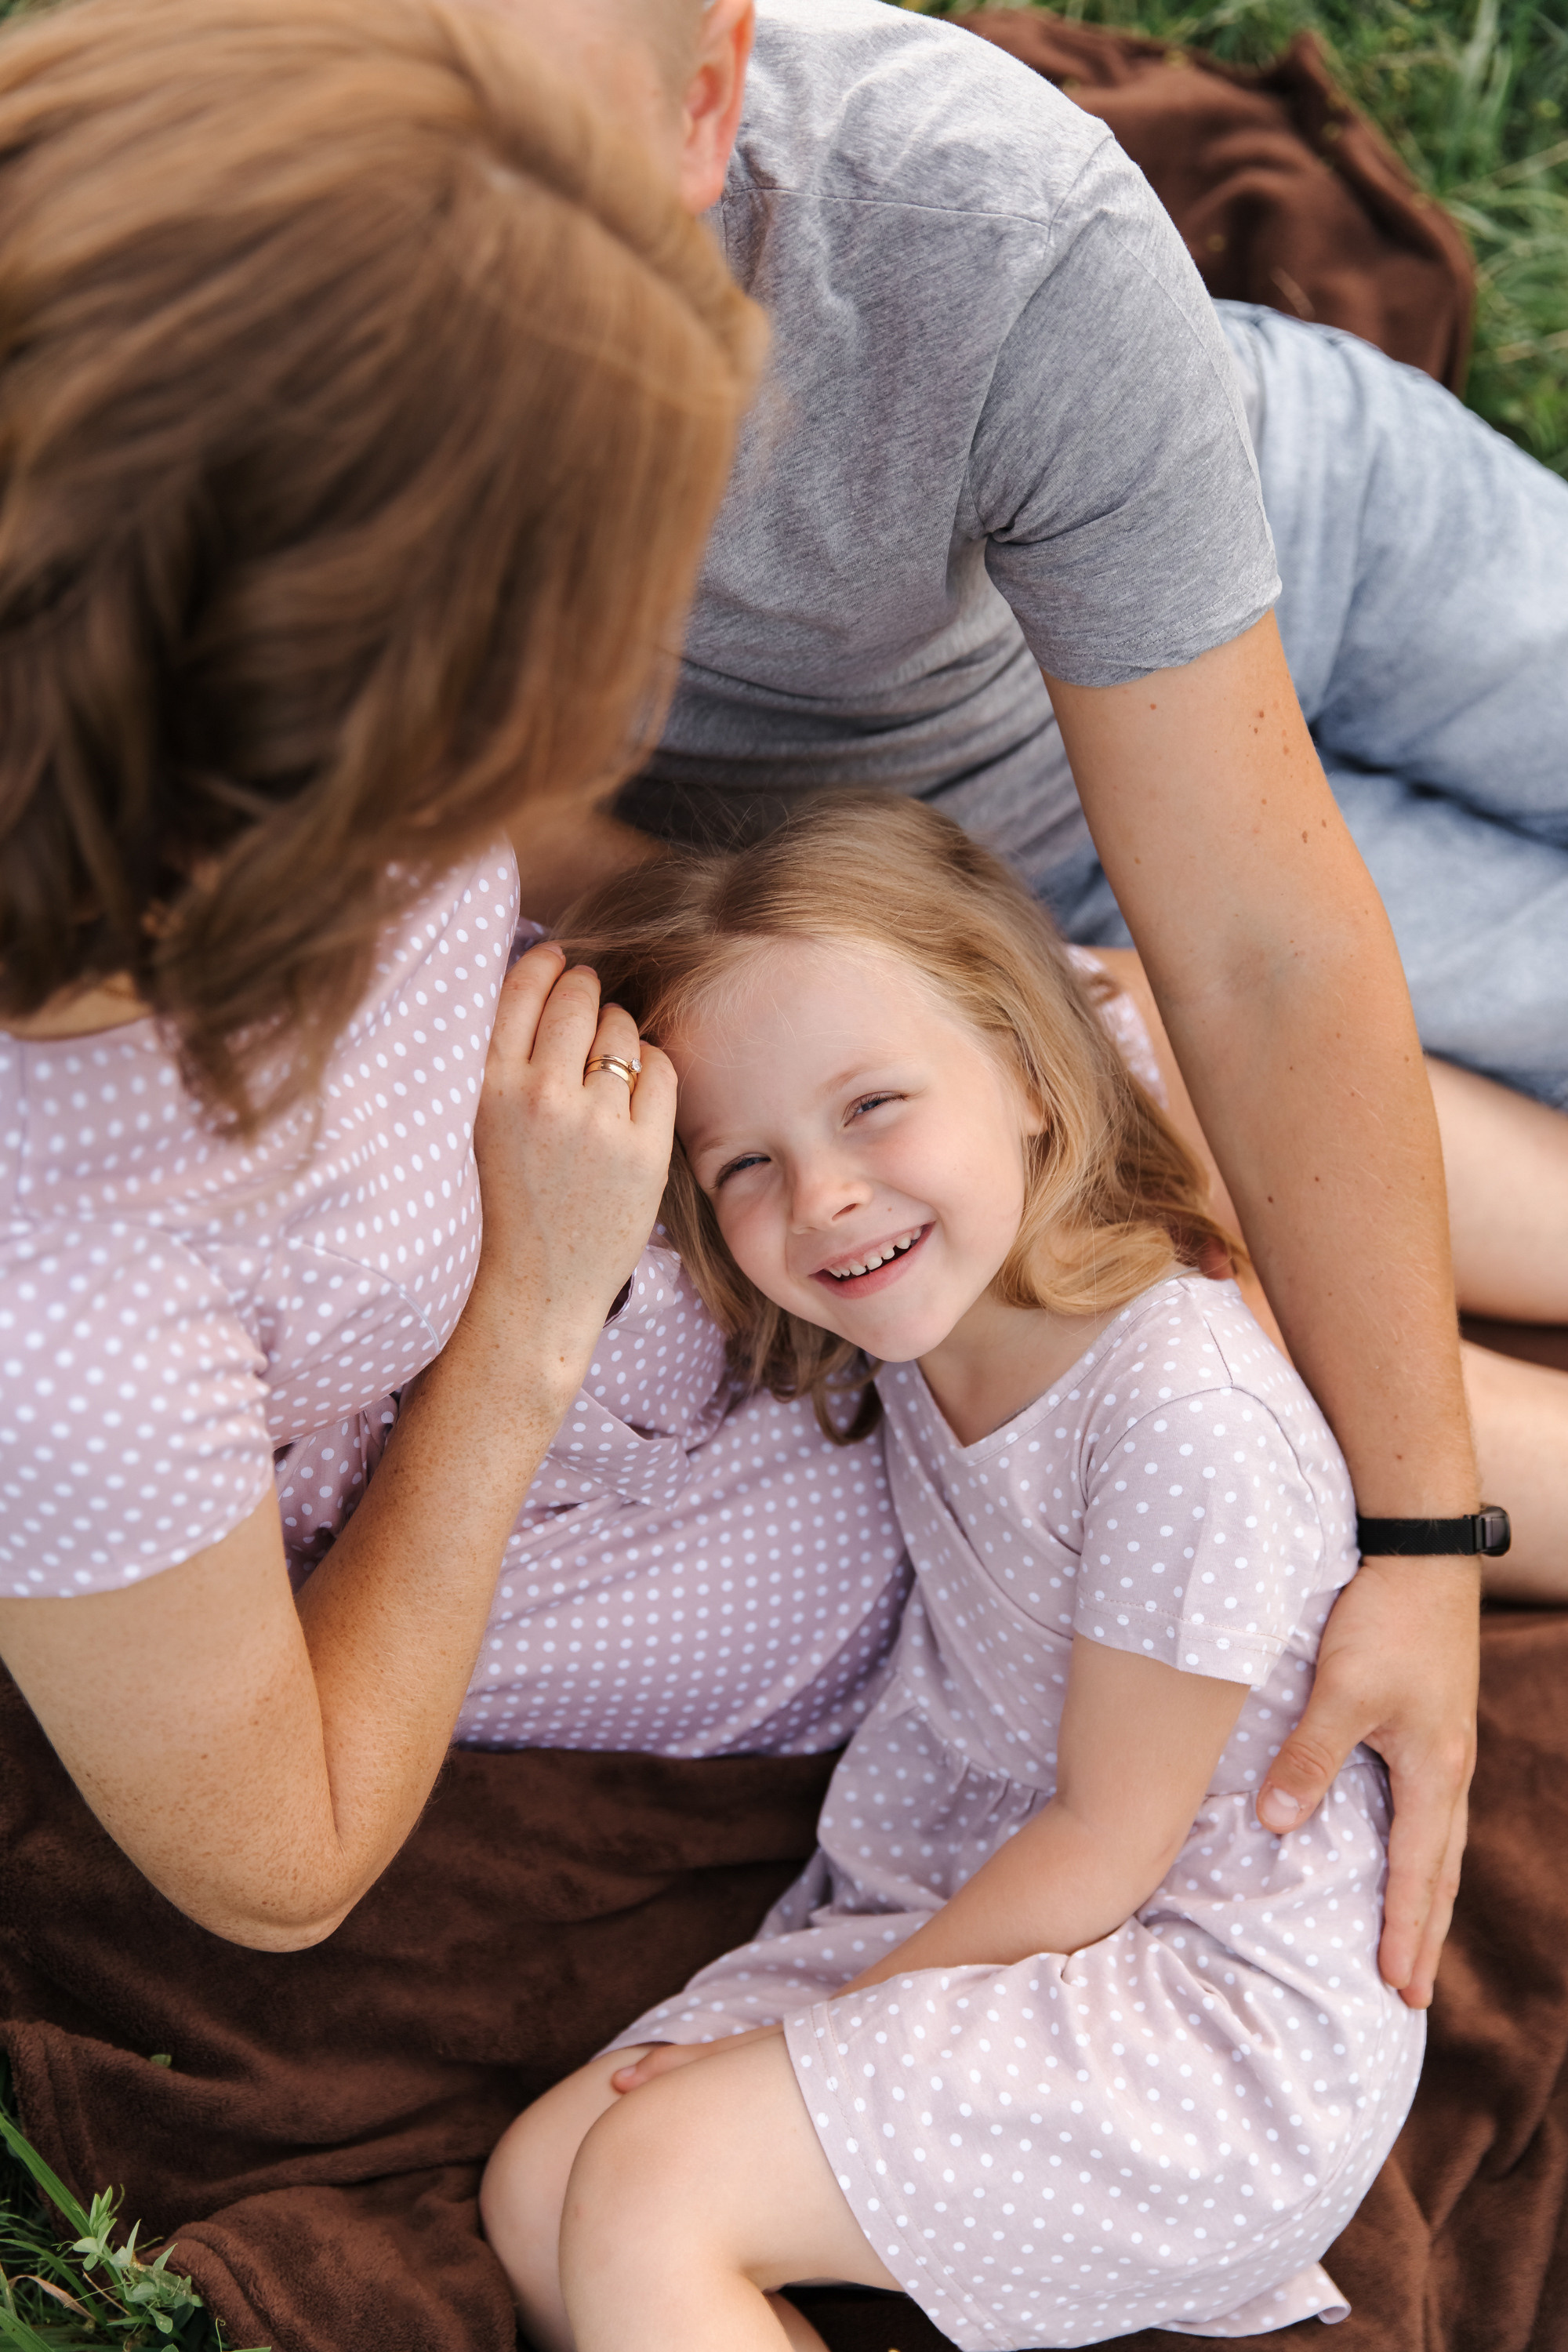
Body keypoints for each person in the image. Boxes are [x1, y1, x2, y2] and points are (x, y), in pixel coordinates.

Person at [495, 0, 1568, 2013]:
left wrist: (1422, 1544)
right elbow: (512, 834)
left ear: (714, 86)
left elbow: (1259, 932)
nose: (489, 277)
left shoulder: (962, 210)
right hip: (996, 874)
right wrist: (919, 998)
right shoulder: (256, 329)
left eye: (547, 190)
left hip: (1305, 547)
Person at [0, 0, 765, 1947]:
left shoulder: (192, 682)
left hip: (687, 1164)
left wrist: (809, 941)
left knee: (1132, 1079)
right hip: (602, 1490)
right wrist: (532, 1309)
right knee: (1210, 1458)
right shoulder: (54, 1320)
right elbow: (284, 1861)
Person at [481, 797, 1424, 2352]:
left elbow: (1109, 1840)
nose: (825, 1197)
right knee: (543, 2190)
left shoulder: (1181, 1411)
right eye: (745, 1166)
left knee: (650, 2183)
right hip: (971, 1892)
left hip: (1199, 2001)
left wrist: (832, 2031)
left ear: (1037, 1086)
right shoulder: (918, 1319)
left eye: (872, 1106)